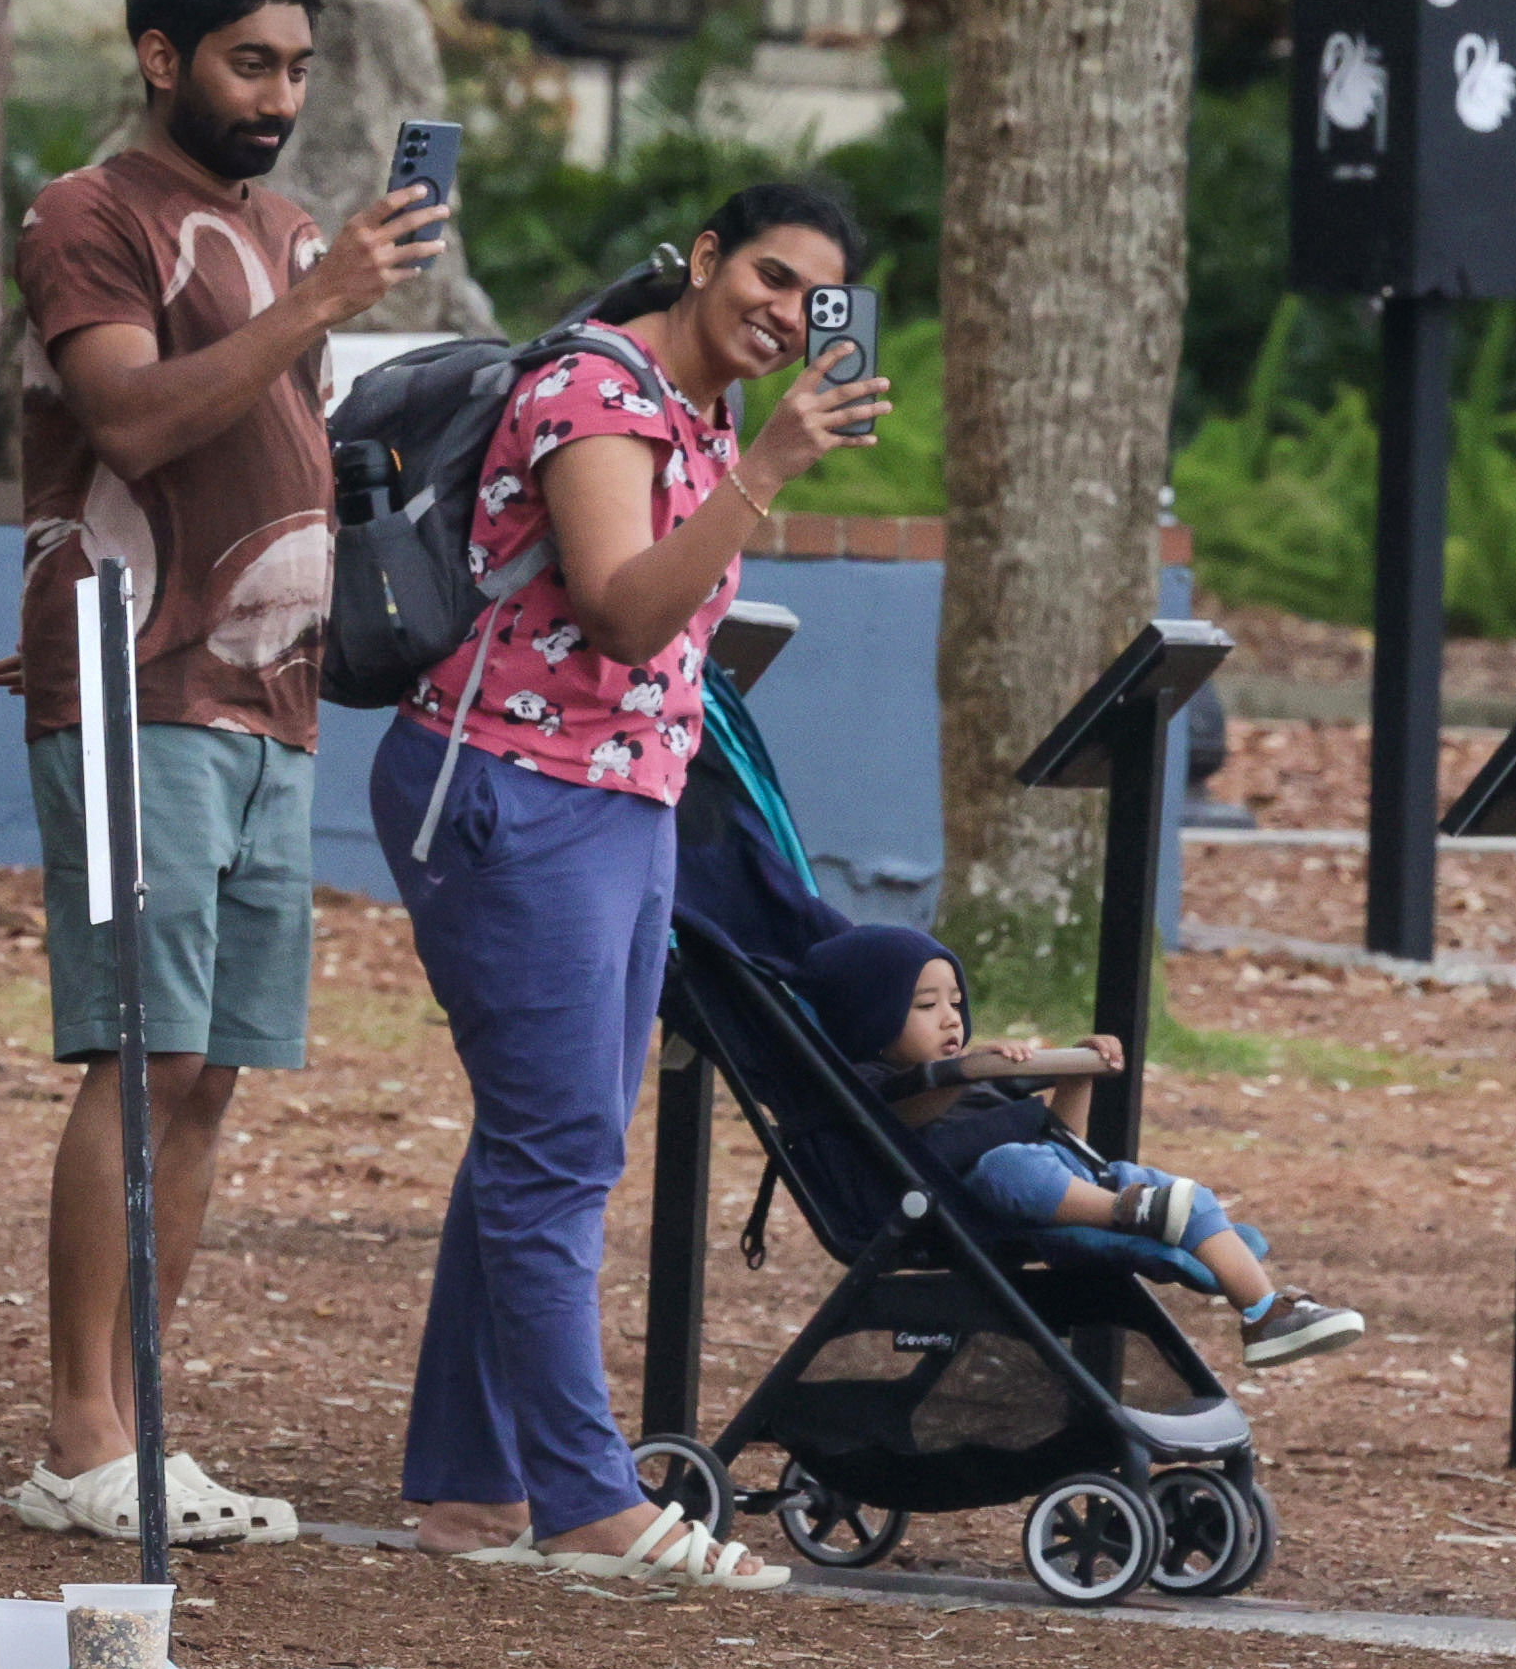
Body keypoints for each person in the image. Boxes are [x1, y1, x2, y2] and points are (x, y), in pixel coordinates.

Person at [379, 184, 888, 1592]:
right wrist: (768, 472)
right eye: (766, 277)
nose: (783, 316)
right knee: (560, 1155)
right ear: (708, 258)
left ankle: (469, 1486)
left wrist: (748, 459)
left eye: (811, 299)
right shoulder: (593, 391)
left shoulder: (706, 411)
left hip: (622, 805)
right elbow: (621, 605)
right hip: (511, 792)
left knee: (542, 1140)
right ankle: (588, 1497)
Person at [4, 0, 442, 1546]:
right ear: (160, 54)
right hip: (139, 684)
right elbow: (126, 414)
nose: (278, 95)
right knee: (146, 1047)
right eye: (250, 62)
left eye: (298, 69)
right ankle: (75, 1432)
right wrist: (324, 296)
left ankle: (138, 1425)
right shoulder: (90, 215)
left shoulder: (287, 227)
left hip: (272, 693)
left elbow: (268, 439)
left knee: (215, 1077)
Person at [800, 924, 1366, 1368]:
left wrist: (1075, 1073)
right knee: (1007, 1165)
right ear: (869, 1020)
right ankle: (1135, 1213)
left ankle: (1265, 1313)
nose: (950, 1018)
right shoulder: (871, 1088)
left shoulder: (968, 1084)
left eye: (955, 1002)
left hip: (1067, 1191)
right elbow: (902, 1118)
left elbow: (1063, 1145)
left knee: (1182, 1197)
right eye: (926, 1006)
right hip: (970, 1203)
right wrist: (959, 1074)